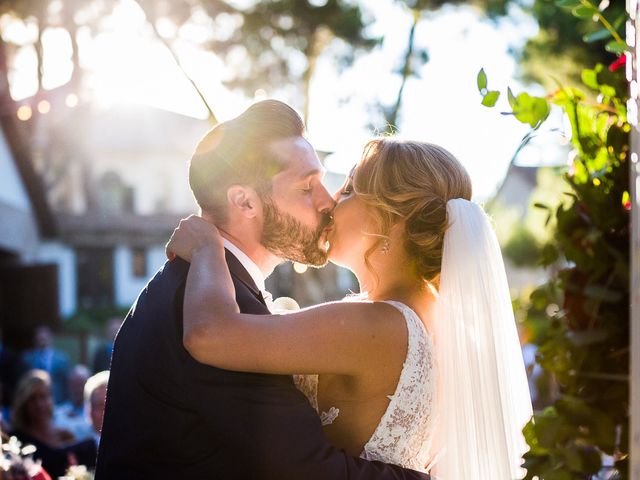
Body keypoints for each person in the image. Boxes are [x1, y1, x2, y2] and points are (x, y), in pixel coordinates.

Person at [96, 100, 430, 479]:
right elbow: (306, 468)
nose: (328, 202)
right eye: (307, 188)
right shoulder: (217, 307)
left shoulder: (194, 291)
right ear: (245, 202)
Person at [167, 138, 534, 477]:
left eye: (351, 190)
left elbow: (208, 335)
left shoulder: (376, 324)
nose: (330, 202)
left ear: (392, 219)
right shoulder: (439, 322)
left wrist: (206, 250)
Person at [9, 370, 75, 478]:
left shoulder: (65, 436)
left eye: (43, 396)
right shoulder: (16, 440)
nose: (39, 404)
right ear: (24, 403)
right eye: (33, 398)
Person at [21, 326, 70, 404]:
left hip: (57, 402)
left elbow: (66, 384)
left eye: (44, 338)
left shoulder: (61, 359)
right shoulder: (27, 358)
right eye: (40, 338)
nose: (42, 341)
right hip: (33, 401)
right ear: (35, 339)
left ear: (50, 338)